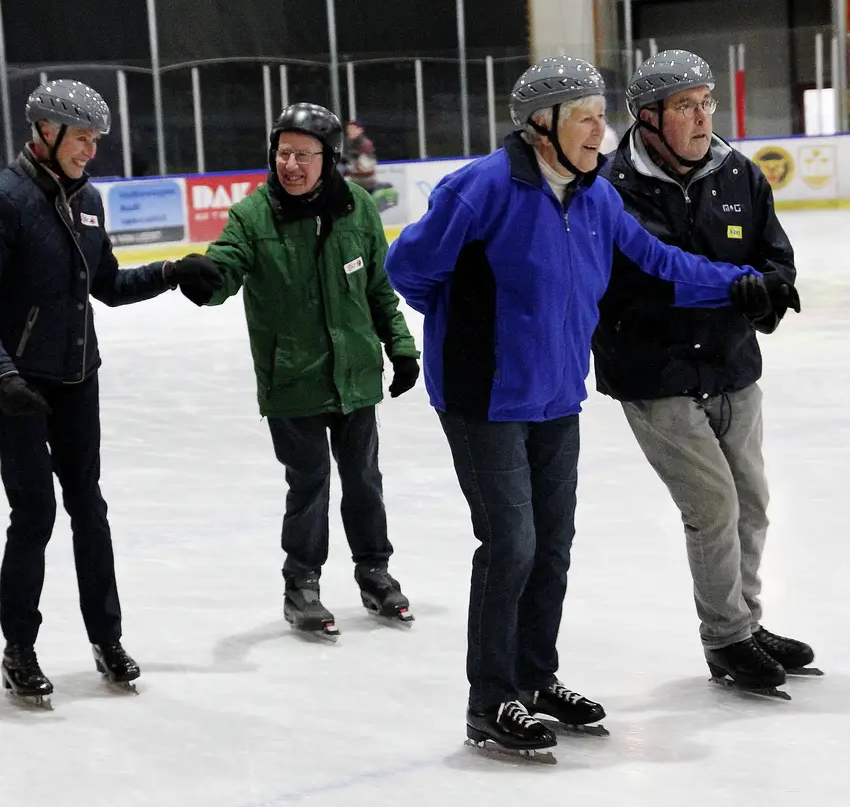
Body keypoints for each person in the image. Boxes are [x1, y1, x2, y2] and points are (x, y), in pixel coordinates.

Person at [384, 56, 798, 756]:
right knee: (510, 545)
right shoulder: (481, 189)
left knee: (552, 546)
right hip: (485, 398)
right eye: (584, 119)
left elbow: (661, 264)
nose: (599, 133)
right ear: (540, 124)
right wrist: (473, 329)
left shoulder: (596, 197)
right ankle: (491, 701)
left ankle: (536, 680)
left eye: (602, 117)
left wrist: (739, 286)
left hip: (556, 395)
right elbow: (410, 271)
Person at [593, 50, 812, 695]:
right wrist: (733, 291)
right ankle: (726, 637)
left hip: (732, 365)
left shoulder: (739, 174)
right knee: (712, 504)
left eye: (706, 102)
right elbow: (636, 284)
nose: (701, 117)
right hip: (655, 372)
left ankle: (745, 621)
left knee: (751, 503)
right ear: (647, 117)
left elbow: (776, 257)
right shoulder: (610, 189)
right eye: (685, 106)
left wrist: (770, 290)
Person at [0, 79, 221, 706]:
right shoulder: (8, 199)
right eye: (82, 139)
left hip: (76, 377)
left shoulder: (89, 201)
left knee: (89, 510)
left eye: (96, 140)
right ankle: (18, 644)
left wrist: (172, 272)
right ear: (45, 132)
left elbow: (108, 285)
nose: (91, 150)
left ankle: (108, 637)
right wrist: (4, 377)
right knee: (34, 513)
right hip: (16, 385)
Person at [180, 103, 420, 640]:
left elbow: (378, 290)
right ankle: (302, 584)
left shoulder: (357, 208)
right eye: (282, 153)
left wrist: (401, 347)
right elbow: (226, 268)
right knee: (309, 482)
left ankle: (374, 571)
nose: (290, 164)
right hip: (292, 377)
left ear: (328, 159)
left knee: (364, 480)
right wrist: (205, 281)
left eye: (302, 155)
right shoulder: (252, 216)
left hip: (356, 375)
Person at [340, 119, 377, 192]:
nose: (349, 131)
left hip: (365, 185)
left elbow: (366, 168)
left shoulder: (366, 144)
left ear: (360, 130)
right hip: (355, 183)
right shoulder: (350, 143)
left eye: (352, 129)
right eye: (348, 129)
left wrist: (348, 169)